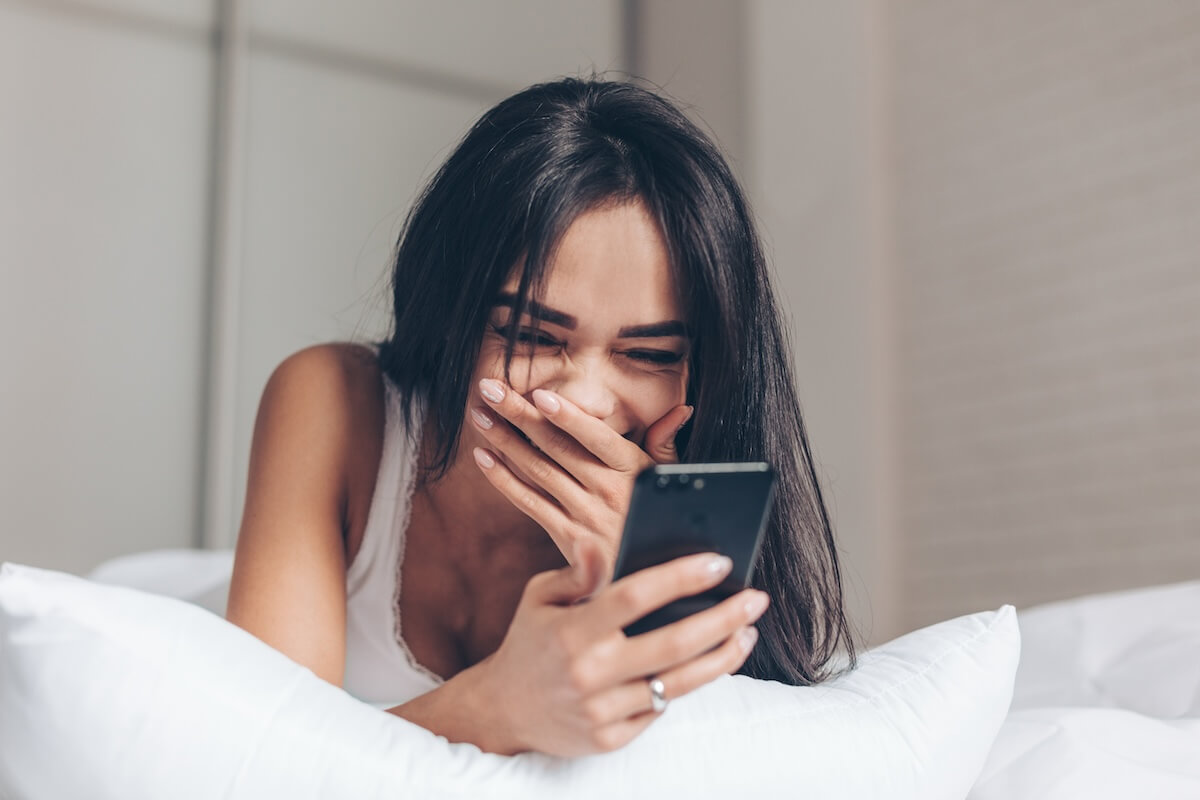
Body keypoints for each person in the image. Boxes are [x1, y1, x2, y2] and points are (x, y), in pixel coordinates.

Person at [225, 75, 857, 758]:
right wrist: (494, 709)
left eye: (648, 354)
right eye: (531, 336)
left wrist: (658, 567)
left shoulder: (686, 507)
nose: (583, 400)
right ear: (451, 314)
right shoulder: (335, 403)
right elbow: (262, 762)